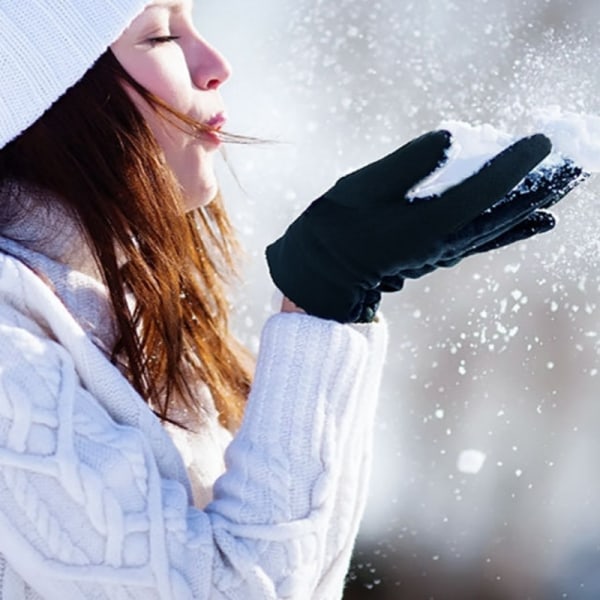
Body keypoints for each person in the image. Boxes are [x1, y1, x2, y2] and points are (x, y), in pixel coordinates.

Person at [0, 1, 584, 598]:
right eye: (160, 36)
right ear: (51, 91)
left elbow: (297, 582)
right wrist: (319, 303)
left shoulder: (126, 310)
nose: (215, 64)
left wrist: (339, 304)